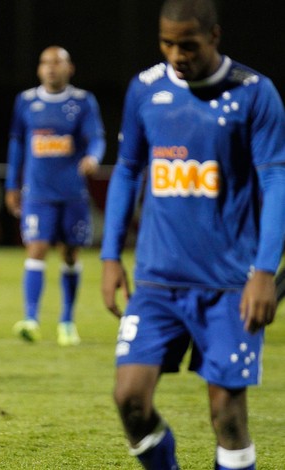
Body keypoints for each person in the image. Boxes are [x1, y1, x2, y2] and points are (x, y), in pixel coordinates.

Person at [100, 0, 285, 468]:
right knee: (130, 399)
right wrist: (109, 256)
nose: (176, 53)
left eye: (188, 44)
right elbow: (126, 171)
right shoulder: (145, 89)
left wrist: (264, 272)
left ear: (214, 37)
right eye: (166, 43)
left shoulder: (255, 93)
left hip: (228, 286)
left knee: (227, 416)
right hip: (157, 282)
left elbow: (275, 180)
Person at [5, 45, 106, 346]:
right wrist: (13, 185)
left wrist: (93, 158)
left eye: (57, 63)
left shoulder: (83, 101)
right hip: (37, 193)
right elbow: (17, 146)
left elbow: (96, 138)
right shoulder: (25, 101)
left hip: (72, 193)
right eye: (45, 62)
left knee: (70, 254)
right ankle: (31, 319)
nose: (50, 67)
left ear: (69, 68)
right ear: (39, 69)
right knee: (35, 249)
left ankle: (66, 321)